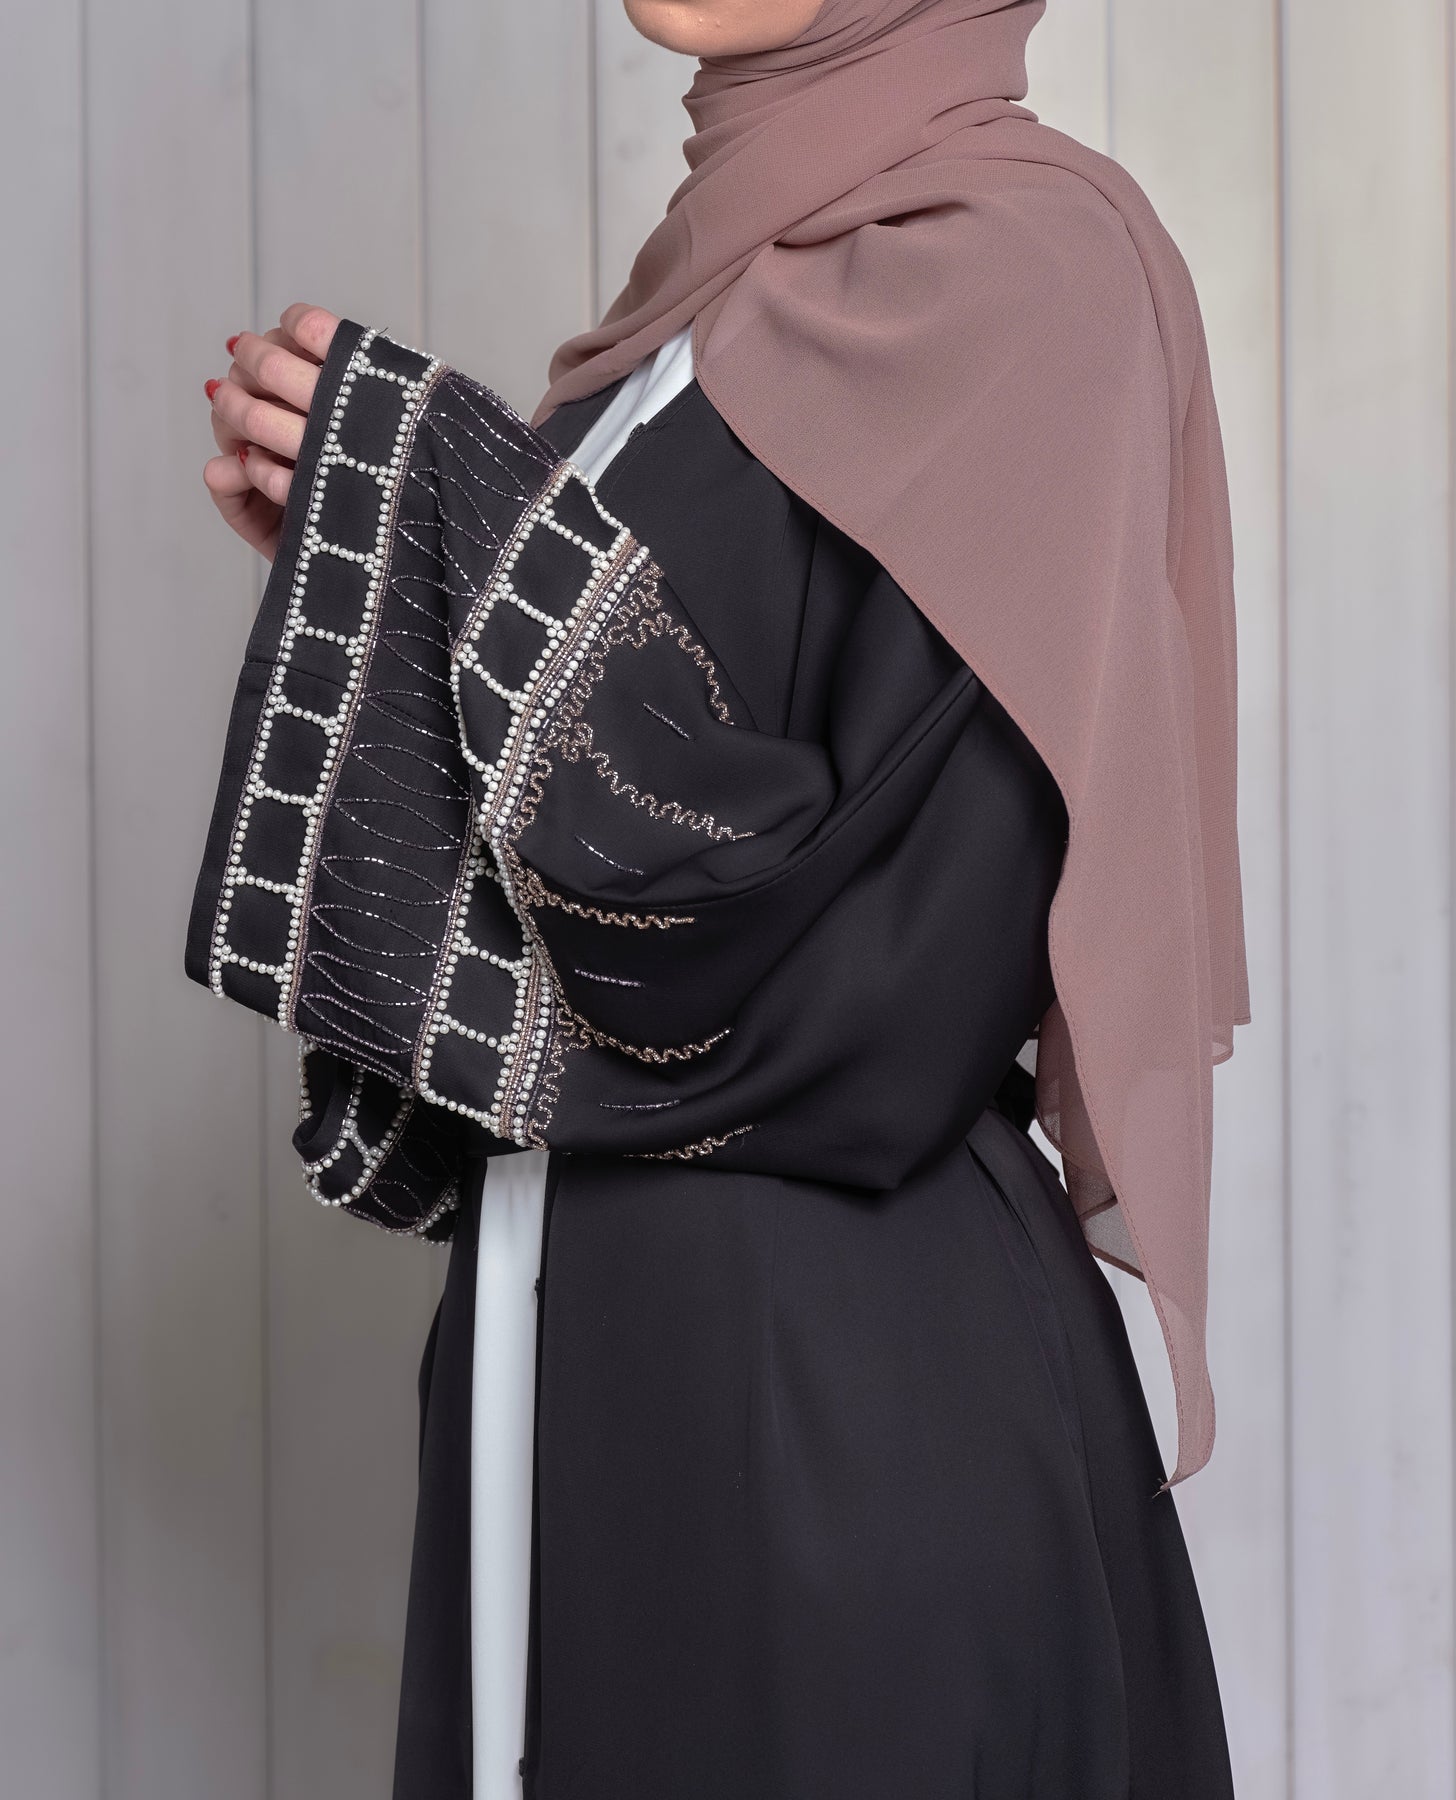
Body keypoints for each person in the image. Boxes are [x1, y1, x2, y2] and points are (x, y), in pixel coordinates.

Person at [193, 3, 1247, 1796]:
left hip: (831, 1401)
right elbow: (592, 859)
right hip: (579, 1353)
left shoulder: (1034, 273)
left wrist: (453, 532)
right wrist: (388, 571)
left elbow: (896, 961)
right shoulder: (686, 319)